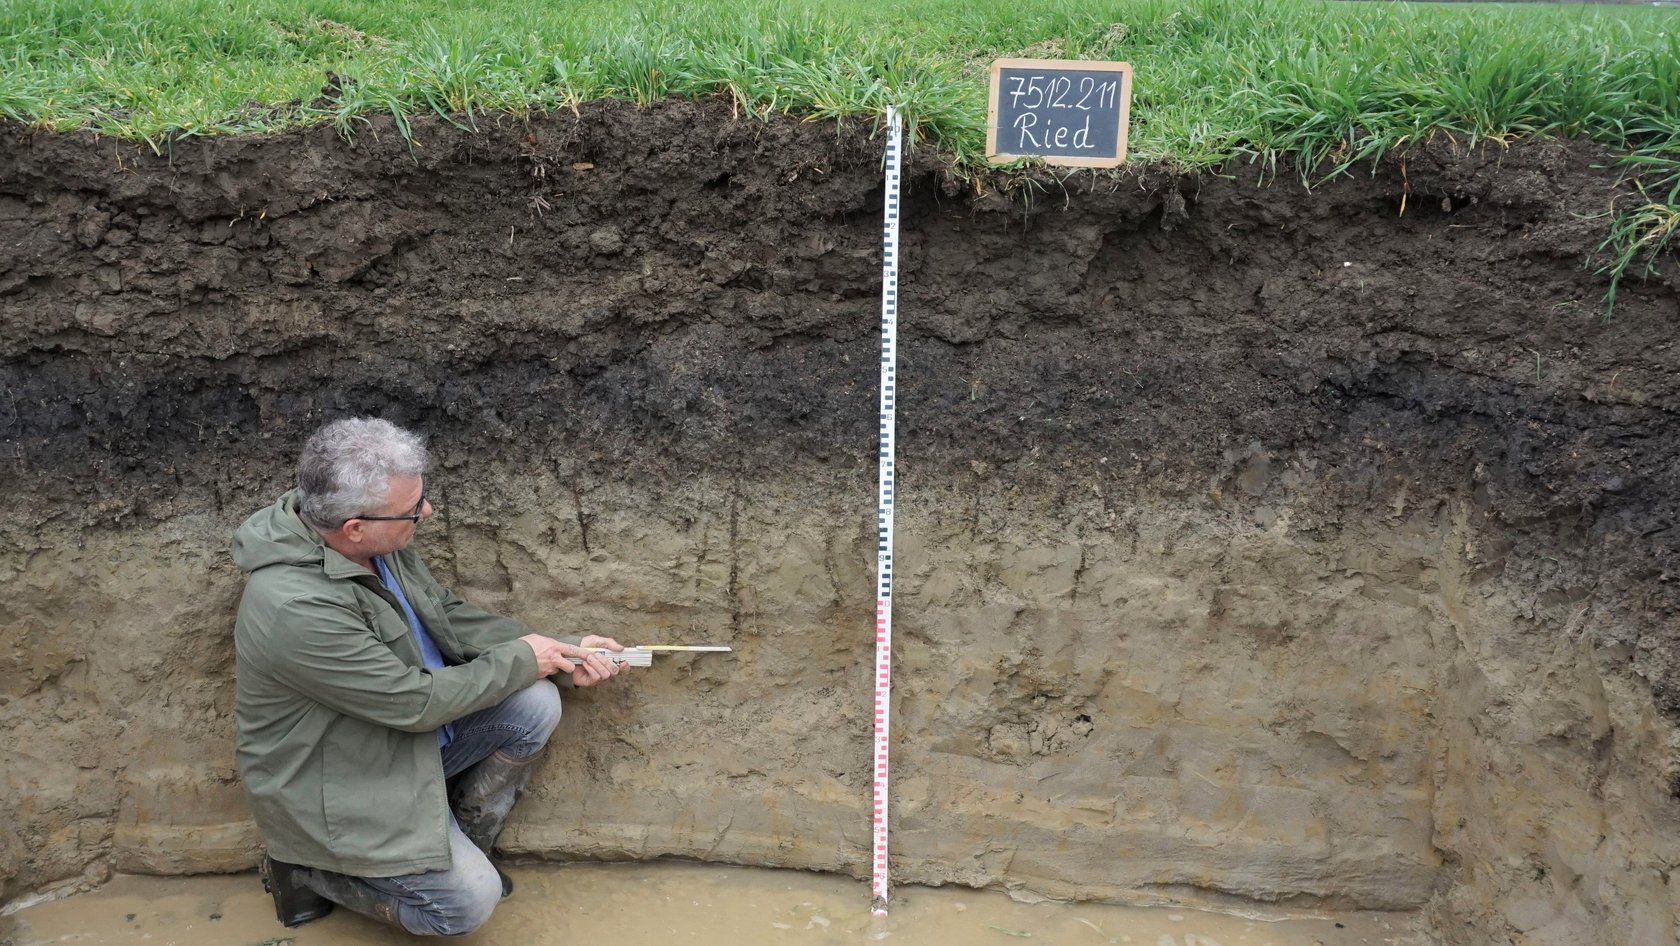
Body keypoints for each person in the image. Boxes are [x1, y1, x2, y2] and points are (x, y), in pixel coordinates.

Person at [232, 417, 626, 936]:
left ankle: (452, 849)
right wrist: (526, 658)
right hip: (339, 782)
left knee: (534, 701)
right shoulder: (294, 606)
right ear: (355, 525)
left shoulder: (371, 542)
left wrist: (560, 651)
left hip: (391, 742)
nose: (427, 512)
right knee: (465, 906)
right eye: (414, 509)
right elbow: (413, 704)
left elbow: (445, 614)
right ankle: (307, 869)